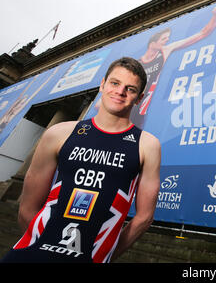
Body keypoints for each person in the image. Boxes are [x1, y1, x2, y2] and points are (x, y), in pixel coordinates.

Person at [1, 57, 161, 263]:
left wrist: (105, 256)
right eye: (115, 83)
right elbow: (27, 206)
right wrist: (44, 247)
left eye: (130, 89)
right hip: (32, 252)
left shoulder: (147, 145)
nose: (120, 92)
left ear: (139, 98)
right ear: (102, 85)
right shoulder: (59, 133)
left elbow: (144, 217)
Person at [132, 4, 216, 127]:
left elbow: (202, 33)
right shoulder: (135, 64)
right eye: (163, 39)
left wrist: (215, 15)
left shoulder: (165, 51)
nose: (166, 40)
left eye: (167, 38)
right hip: (126, 109)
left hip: (140, 114)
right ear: (152, 43)